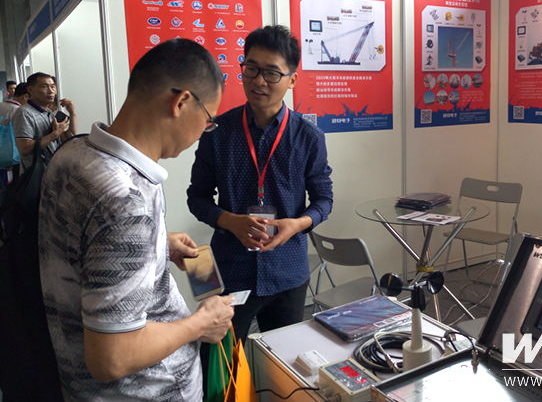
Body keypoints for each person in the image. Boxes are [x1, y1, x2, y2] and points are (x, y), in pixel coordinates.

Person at [38, 39, 235, 401]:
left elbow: (82, 248)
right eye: (208, 119)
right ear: (181, 102)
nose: (202, 132)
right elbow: (112, 357)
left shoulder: (74, 152)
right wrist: (200, 324)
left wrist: (155, 246)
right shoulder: (127, 199)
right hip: (145, 391)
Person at [188, 25, 333, 343]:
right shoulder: (218, 132)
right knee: (222, 361)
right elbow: (197, 197)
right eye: (251, 69)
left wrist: (298, 224)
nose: (258, 81)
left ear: (292, 80)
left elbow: (324, 199)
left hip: (288, 272)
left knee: (283, 361)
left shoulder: (309, 137)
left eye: (271, 73)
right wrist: (230, 221)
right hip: (230, 270)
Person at [11, 72, 76, 174]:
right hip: (37, 176)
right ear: (30, 90)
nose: (51, 91)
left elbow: (69, 137)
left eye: (53, 86)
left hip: (54, 173)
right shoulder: (24, 113)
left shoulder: (48, 113)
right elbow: (24, 148)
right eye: (44, 86)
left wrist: (72, 113)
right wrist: (54, 134)